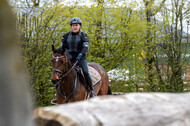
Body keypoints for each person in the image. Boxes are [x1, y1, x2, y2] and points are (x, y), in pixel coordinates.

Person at [51, 17, 96, 104]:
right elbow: (62, 48)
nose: (75, 27)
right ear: (71, 26)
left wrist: (80, 55)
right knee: (60, 73)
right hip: (68, 59)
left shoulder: (84, 36)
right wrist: (57, 52)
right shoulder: (66, 36)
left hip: (80, 58)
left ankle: (92, 91)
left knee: (86, 72)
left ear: (80, 26)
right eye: (73, 25)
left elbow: (85, 48)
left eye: (76, 25)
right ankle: (58, 95)